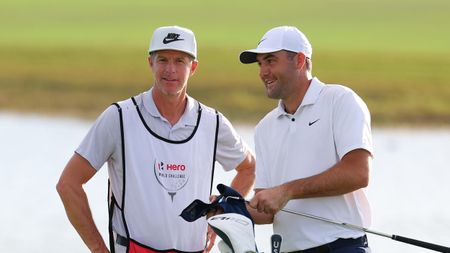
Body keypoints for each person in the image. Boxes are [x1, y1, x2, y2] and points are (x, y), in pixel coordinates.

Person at [56, 25, 255, 253]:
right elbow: (68, 184)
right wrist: (99, 249)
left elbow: (248, 167)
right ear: (150, 62)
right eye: (163, 60)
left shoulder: (212, 122)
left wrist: (222, 211)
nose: (170, 70)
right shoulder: (119, 117)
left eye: (180, 61)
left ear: (194, 67)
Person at [240, 26, 373, 252]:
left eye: (271, 61)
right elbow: (267, 208)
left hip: (342, 247)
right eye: (260, 64)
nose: (263, 71)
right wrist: (231, 209)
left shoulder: (340, 100)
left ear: (300, 60)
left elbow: (358, 173)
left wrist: (287, 191)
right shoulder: (265, 127)